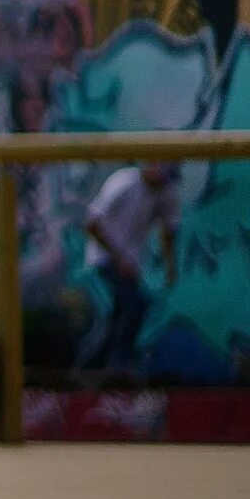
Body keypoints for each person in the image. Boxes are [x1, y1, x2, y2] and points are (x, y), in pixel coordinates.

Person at [82, 160, 181, 375]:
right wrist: (118, 258)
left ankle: (94, 366)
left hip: (129, 262)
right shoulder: (125, 183)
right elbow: (92, 224)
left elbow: (169, 229)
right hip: (104, 258)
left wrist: (170, 265)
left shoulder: (166, 191)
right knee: (131, 305)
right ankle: (116, 363)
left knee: (122, 313)